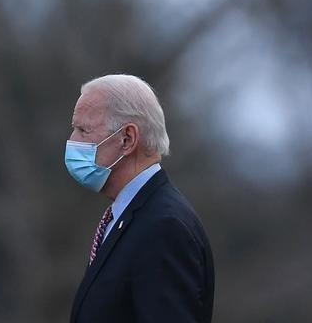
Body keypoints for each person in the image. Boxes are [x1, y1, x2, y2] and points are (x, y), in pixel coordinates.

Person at [65, 74, 214, 323]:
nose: (72, 141)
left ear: (127, 139)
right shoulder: (129, 216)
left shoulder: (164, 227)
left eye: (83, 130)